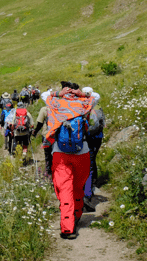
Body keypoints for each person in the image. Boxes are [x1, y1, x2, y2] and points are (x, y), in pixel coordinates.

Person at [44, 83, 95, 239]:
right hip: (83, 152)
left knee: (65, 190)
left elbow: (45, 95)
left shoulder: (55, 104)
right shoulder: (84, 104)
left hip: (60, 153)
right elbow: (95, 97)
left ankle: (68, 227)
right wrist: (81, 94)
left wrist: (58, 93)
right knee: (78, 187)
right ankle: (77, 214)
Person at [82, 87, 104, 212]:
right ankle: (91, 188)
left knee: (86, 166)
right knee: (91, 162)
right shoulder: (97, 105)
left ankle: (86, 194)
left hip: (86, 139)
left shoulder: (83, 107)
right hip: (97, 138)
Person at [32, 104, 52, 179]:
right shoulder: (61, 107)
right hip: (58, 135)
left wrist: (35, 132)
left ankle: (48, 172)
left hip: (46, 134)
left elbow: (40, 124)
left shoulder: (44, 109)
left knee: (47, 155)